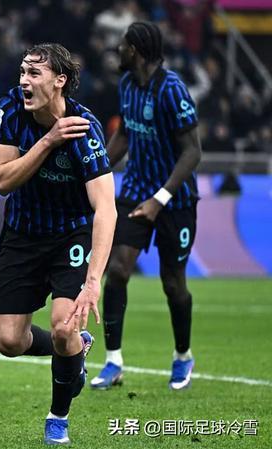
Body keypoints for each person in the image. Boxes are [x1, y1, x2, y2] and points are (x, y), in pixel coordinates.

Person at [0, 43, 117, 445]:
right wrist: (47, 141)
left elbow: (106, 209)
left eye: (34, 74)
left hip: (70, 235)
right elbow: (2, 181)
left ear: (59, 81)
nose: (24, 81)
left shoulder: (85, 129)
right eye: (22, 72)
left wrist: (93, 282)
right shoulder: (11, 110)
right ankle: (76, 350)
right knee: (9, 341)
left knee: (64, 326)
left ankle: (57, 418)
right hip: (22, 233)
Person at [90, 22, 202, 391]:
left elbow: (193, 152)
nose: (117, 50)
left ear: (135, 50)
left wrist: (160, 199)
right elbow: (125, 134)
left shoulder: (172, 89)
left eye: (122, 45)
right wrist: (97, 168)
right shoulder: (126, 84)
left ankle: (183, 356)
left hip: (175, 200)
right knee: (118, 270)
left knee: (173, 283)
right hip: (135, 191)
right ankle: (113, 361)